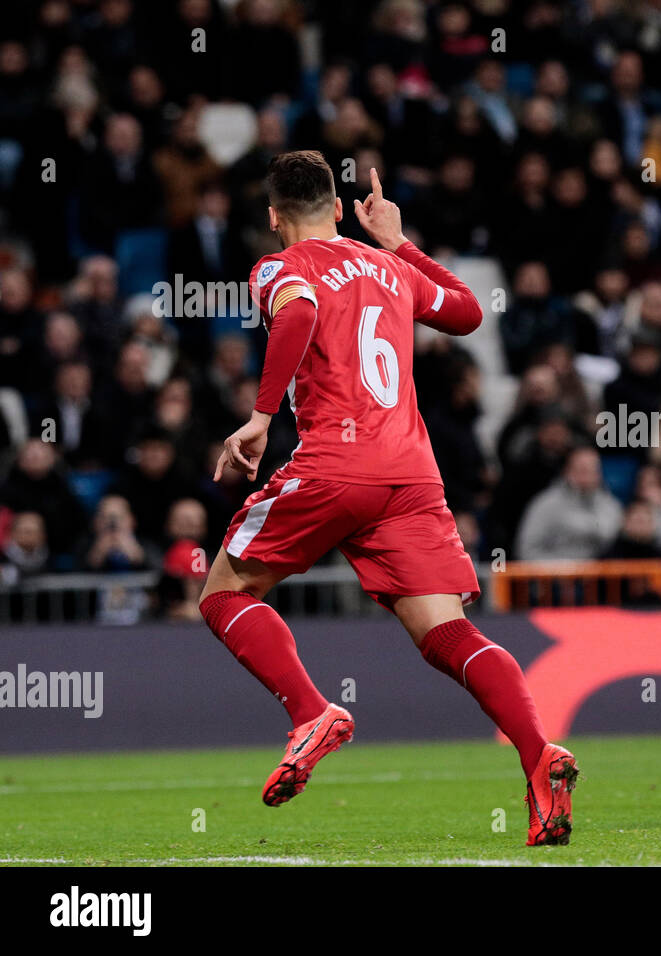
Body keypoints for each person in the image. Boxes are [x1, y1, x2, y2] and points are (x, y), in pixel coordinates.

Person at [199, 153, 577, 847]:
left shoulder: (281, 267)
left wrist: (259, 417)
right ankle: (537, 755)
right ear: (341, 209)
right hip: (410, 475)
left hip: (336, 464)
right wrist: (399, 242)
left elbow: (297, 315)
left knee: (223, 594)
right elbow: (465, 314)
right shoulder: (391, 266)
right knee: (449, 636)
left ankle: (311, 712)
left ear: (274, 216)